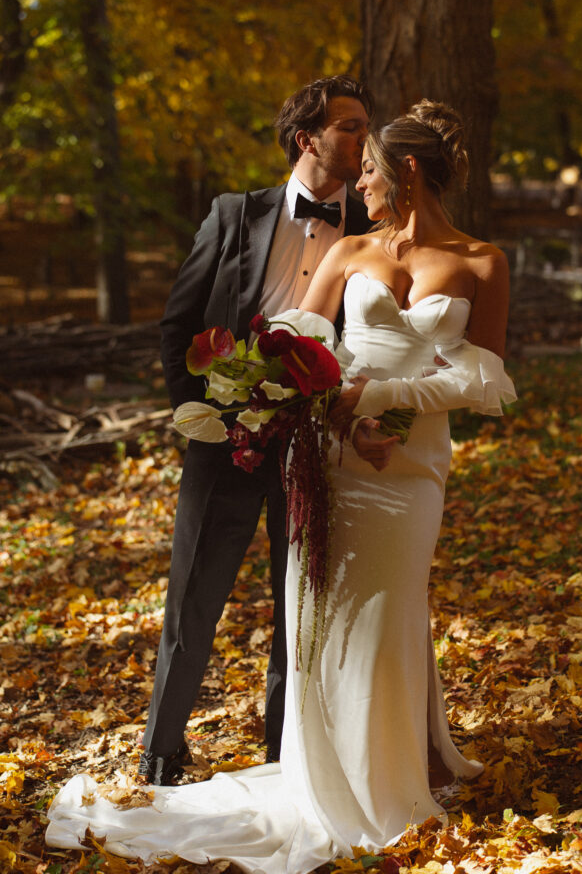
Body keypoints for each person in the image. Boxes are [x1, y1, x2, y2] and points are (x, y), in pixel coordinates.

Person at [46, 100, 516, 874]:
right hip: (333, 464)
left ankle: (392, 778)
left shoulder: (482, 260)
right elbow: (296, 353)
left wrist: (390, 401)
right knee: (322, 621)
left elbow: (486, 377)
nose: (356, 185)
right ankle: (322, 784)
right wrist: (341, 418)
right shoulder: (348, 253)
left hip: (414, 472)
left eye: (367, 171)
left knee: (392, 611)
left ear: (404, 172)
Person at [136, 75, 373, 785]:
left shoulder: (373, 229)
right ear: (309, 139)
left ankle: (285, 761)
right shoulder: (234, 214)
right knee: (192, 602)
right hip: (224, 442)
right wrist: (200, 417)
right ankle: (160, 754)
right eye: (352, 126)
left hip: (319, 444)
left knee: (297, 606)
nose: (365, 140)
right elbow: (179, 322)